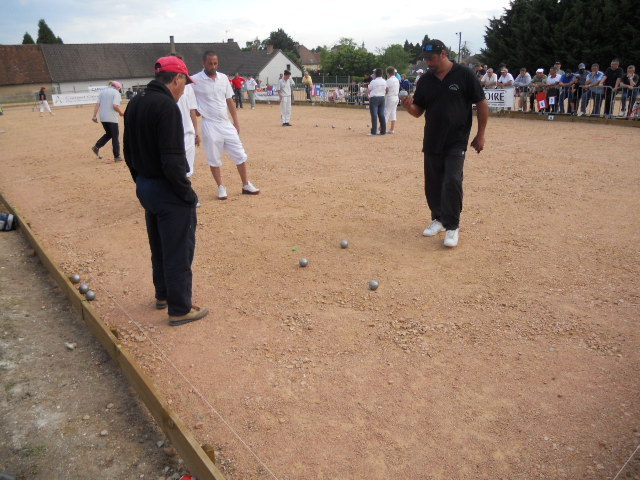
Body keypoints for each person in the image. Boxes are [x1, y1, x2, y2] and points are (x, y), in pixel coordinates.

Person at [122, 56, 208, 326]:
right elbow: (172, 160)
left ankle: (163, 295)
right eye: (185, 82)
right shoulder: (167, 107)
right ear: (177, 78)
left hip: (146, 185)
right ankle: (180, 308)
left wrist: (140, 180)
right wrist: (187, 193)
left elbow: (127, 151)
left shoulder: (135, 102)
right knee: (178, 249)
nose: (185, 89)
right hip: (166, 187)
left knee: (158, 244)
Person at [400, 39, 488, 248]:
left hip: (456, 139)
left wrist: (481, 134)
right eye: (425, 59)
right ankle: (438, 218)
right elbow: (418, 112)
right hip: (432, 138)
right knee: (433, 183)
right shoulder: (426, 80)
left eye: (431, 58)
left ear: (443, 54)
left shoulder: (464, 74)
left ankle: (452, 226)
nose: (428, 62)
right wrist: (408, 106)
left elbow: (481, 103)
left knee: (452, 180)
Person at [190, 51, 260, 200]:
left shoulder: (223, 79)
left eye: (215, 63)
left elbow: (230, 101)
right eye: (210, 63)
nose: (213, 66)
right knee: (214, 158)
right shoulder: (194, 80)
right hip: (209, 124)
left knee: (240, 154)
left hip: (225, 123)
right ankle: (221, 187)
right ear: (204, 63)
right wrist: (196, 109)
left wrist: (236, 122)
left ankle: (246, 184)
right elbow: (189, 101)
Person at [92, 81, 124, 162]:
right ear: (117, 87)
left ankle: (96, 147)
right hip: (112, 118)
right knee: (115, 137)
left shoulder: (102, 91)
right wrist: (121, 113)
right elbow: (115, 106)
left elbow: (97, 104)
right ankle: (117, 156)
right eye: (119, 88)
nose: (119, 90)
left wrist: (94, 116)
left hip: (103, 117)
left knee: (109, 134)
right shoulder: (116, 93)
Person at [177, 82, 200, 179]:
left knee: (188, 170)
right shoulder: (164, 88)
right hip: (171, 134)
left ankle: (185, 192)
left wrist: (196, 134)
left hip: (188, 133)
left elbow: (192, 111)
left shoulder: (188, 87)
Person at [367, 67, 387, 136]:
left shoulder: (373, 81)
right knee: (381, 115)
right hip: (382, 98)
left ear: (375, 74)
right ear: (382, 74)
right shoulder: (385, 81)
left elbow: (369, 90)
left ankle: (374, 131)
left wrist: (370, 96)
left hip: (374, 98)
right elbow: (386, 90)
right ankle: (383, 131)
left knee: (374, 115)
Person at [385, 66, 400, 134]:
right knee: (393, 112)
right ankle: (392, 129)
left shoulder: (389, 80)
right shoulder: (397, 79)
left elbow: (386, 90)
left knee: (386, 113)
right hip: (396, 97)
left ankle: (380, 128)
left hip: (390, 98)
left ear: (388, 73)